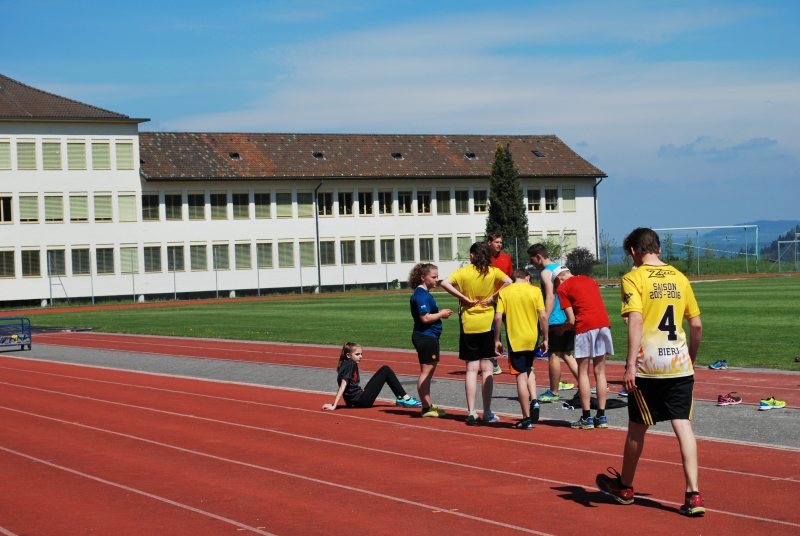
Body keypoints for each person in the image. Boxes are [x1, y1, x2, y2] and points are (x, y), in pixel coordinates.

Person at [596, 228, 705, 516]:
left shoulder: (633, 278)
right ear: (658, 248)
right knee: (683, 424)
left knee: (637, 427)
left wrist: (630, 364)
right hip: (679, 364)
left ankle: (625, 486)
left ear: (634, 251)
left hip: (649, 366)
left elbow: (635, 320)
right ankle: (693, 494)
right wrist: (691, 359)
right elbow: (696, 325)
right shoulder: (680, 277)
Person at [441, 242, 512, 424]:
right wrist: (492, 298)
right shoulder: (493, 271)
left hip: (468, 323)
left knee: (471, 369)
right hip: (488, 323)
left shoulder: (464, 272)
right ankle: (487, 411)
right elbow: (509, 282)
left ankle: (471, 411)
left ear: (472, 255)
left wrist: (464, 298)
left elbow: (444, 283)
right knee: (487, 369)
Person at [552, 267, 614, 429]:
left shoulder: (563, 288)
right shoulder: (590, 280)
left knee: (583, 373)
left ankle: (586, 417)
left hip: (585, 327)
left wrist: (560, 330)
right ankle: (601, 416)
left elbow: (571, 321)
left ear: (558, 279)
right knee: (600, 372)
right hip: (603, 324)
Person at [494, 269, 548, 429]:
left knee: (520, 377)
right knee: (528, 368)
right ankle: (534, 399)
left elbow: (498, 317)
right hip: (532, 337)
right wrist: (546, 338)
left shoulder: (505, 292)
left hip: (515, 339)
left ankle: (526, 417)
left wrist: (497, 339)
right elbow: (543, 316)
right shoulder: (535, 291)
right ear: (527, 277)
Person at [528, 244, 579, 402]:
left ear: (538, 256)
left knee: (553, 355)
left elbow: (550, 296)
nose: (532, 264)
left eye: (532, 260)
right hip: (569, 316)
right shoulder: (563, 268)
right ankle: (586, 384)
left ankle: (554, 392)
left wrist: (545, 318)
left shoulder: (546, 272)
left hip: (555, 318)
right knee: (566, 354)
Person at [408, 263, 453, 418]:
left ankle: (427, 405)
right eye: (433, 277)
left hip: (428, 336)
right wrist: (441, 314)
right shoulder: (421, 294)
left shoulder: (424, 293)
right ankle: (426, 407)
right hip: (425, 336)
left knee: (428, 373)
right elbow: (425, 318)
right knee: (426, 373)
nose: (437, 280)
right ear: (423, 277)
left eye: (437, 276)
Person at [323, 342, 422, 410]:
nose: (361, 356)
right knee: (386, 370)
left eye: (361, 354)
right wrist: (334, 405)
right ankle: (407, 399)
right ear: (348, 355)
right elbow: (343, 386)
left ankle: (400, 398)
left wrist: (347, 402)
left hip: (358, 399)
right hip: (361, 401)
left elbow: (345, 387)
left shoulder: (345, 364)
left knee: (384, 369)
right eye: (357, 354)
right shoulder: (350, 364)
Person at [487, 233, 513, 375]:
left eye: (501, 242)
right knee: (493, 331)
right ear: (489, 242)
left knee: (512, 329)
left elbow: (511, 278)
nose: (499, 245)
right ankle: (494, 362)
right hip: (491, 300)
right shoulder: (484, 259)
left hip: (506, 299)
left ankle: (515, 361)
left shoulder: (506, 258)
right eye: (496, 242)